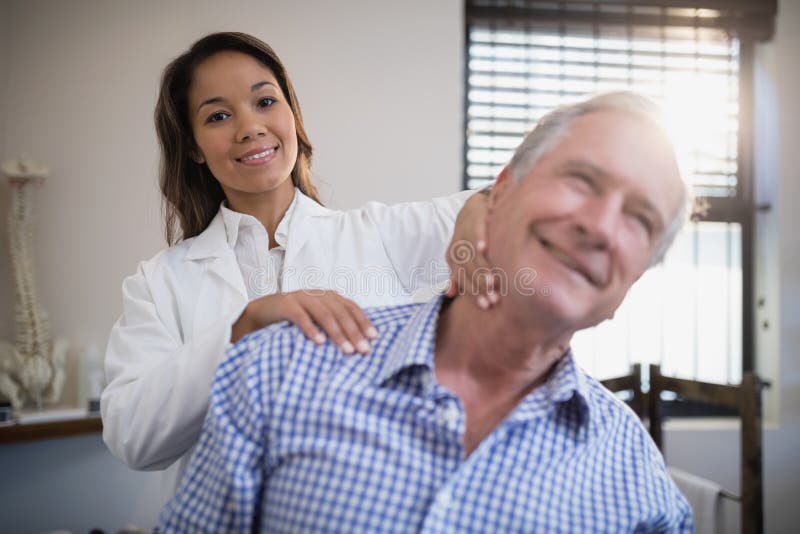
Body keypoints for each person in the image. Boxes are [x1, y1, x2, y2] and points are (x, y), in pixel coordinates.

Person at [159, 92, 694, 533]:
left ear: (639, 275)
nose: (601, 226)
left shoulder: (637, 481)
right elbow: (137, 432)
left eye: (640, 218)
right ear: (502, 190)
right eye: (582, 179)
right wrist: (241, 331)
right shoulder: (276, 371)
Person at [100, 32, 489, 500]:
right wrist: (240, 328)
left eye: (265, 101)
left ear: (293, 117)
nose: (249, 127)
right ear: (193, 146)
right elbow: (133, 437)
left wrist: (477, 214)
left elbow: (524, 191)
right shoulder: (160, 282)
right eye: (219, 115)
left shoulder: (382, 235)